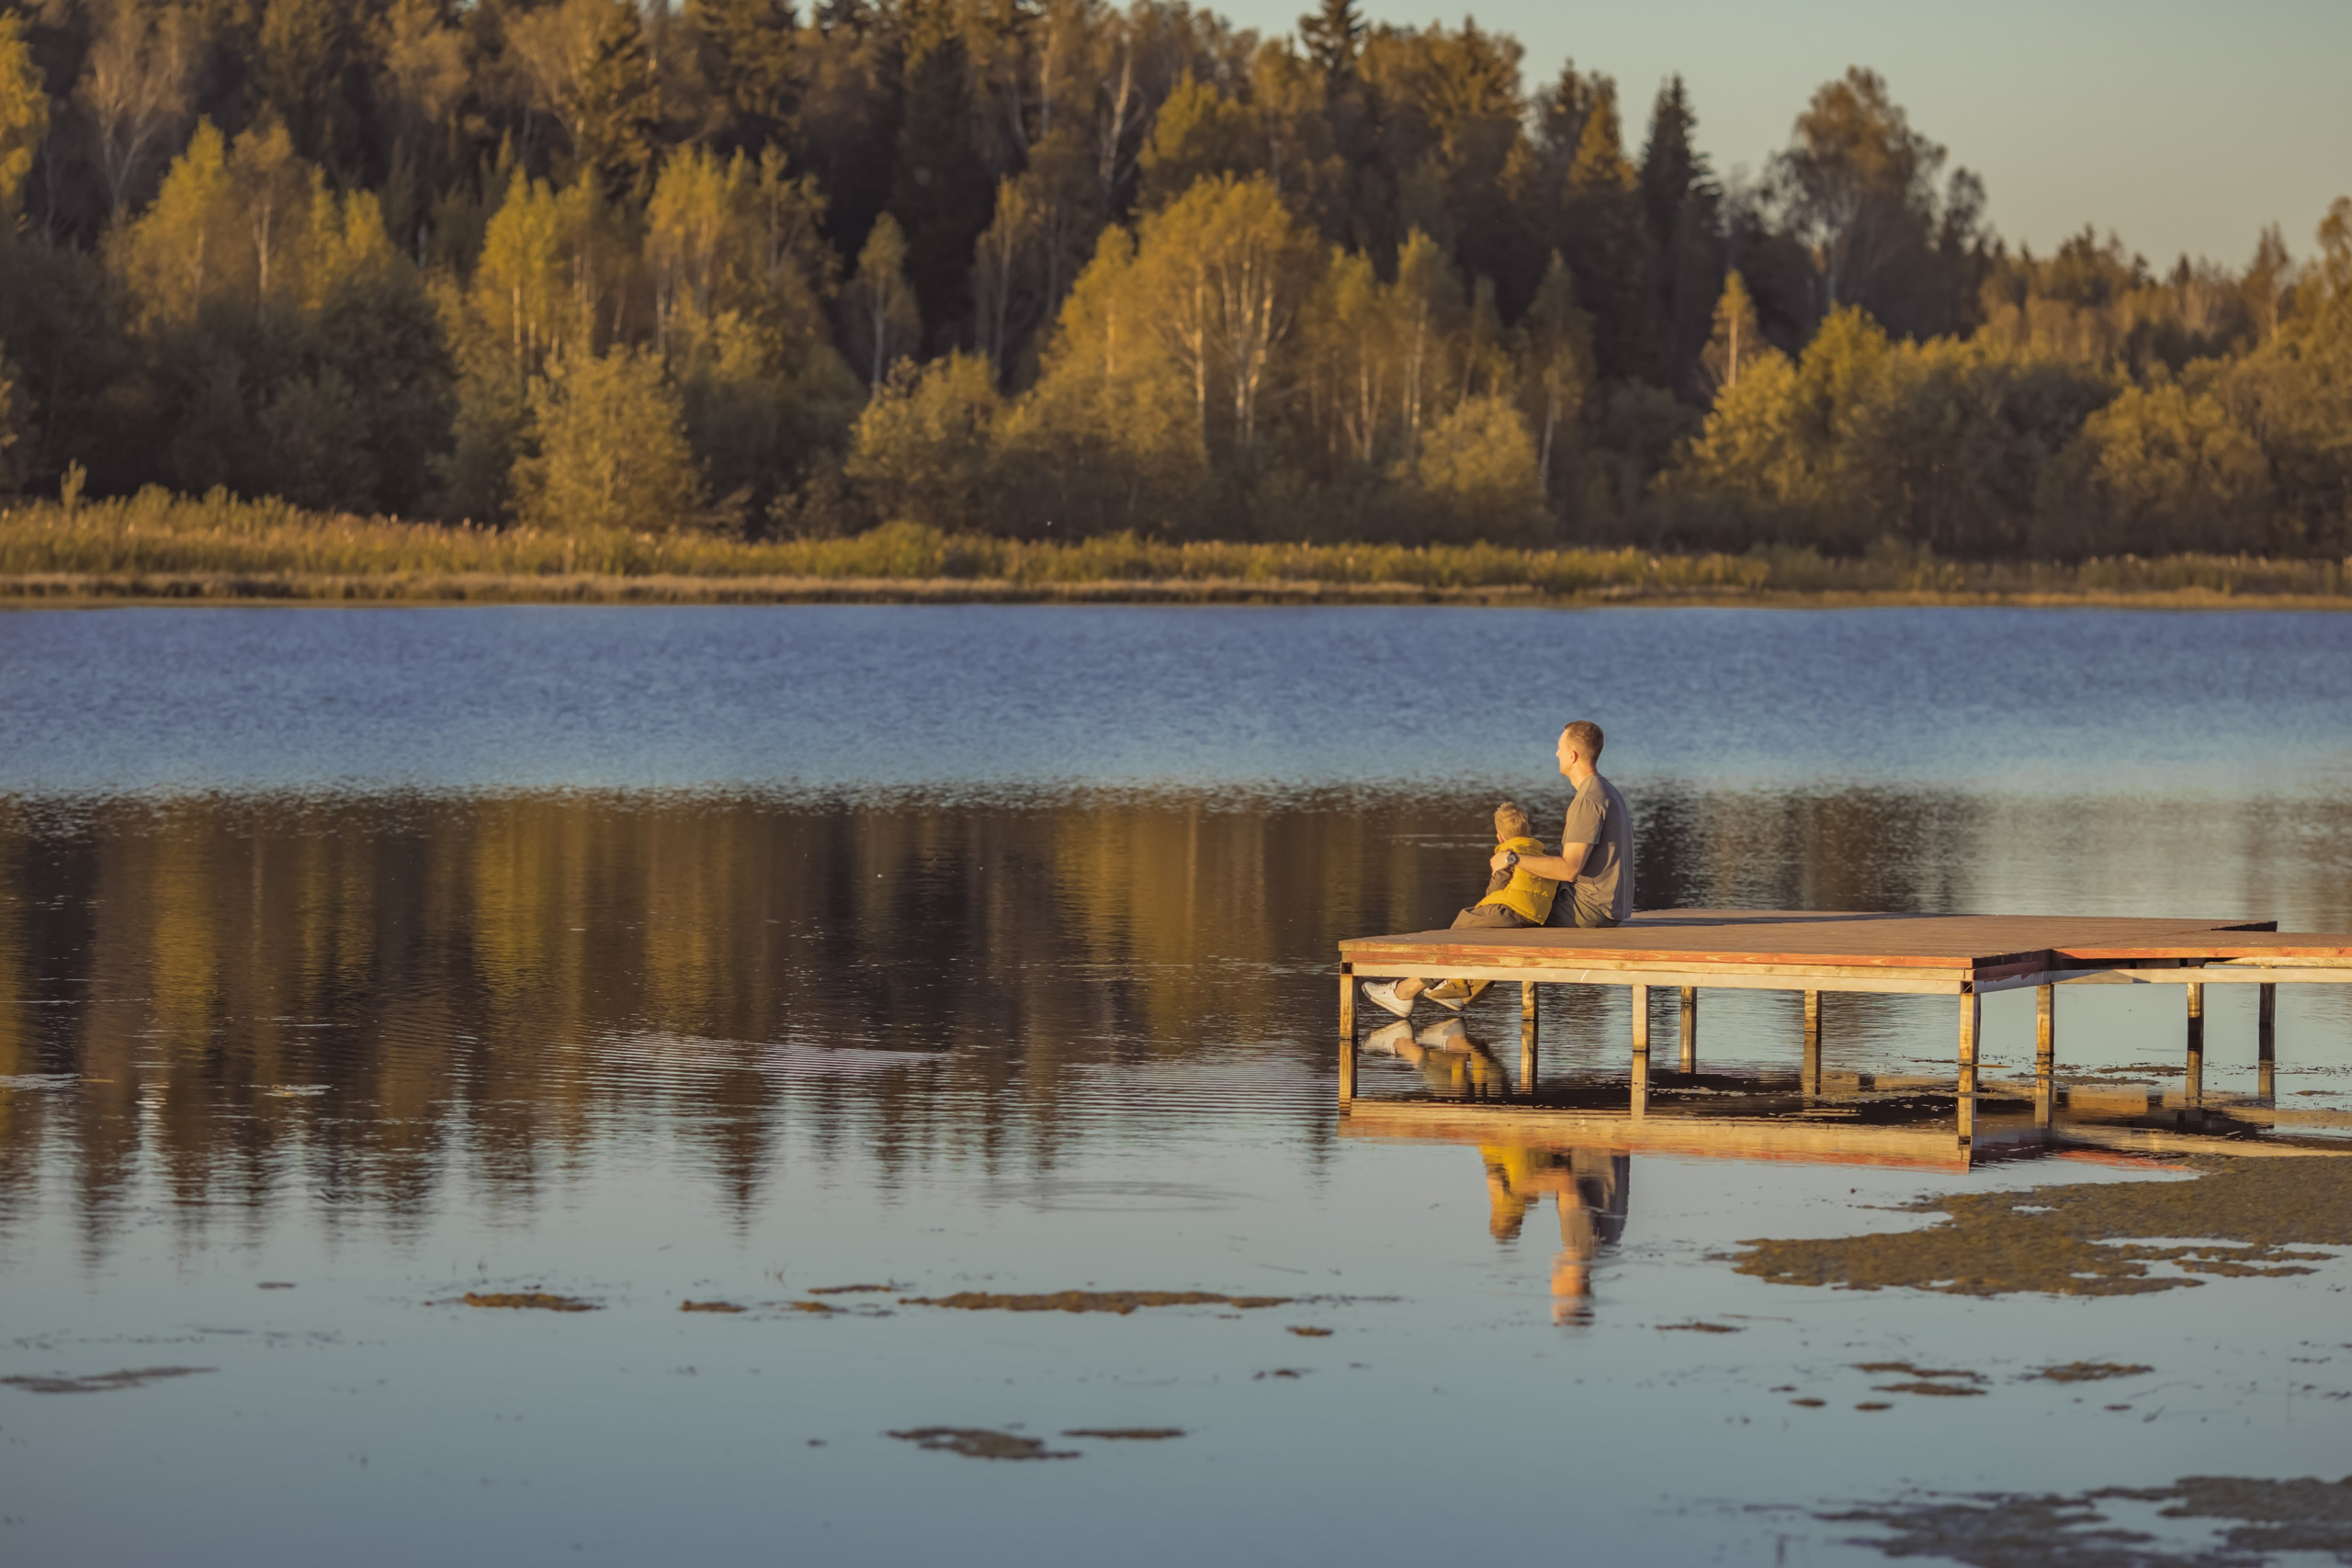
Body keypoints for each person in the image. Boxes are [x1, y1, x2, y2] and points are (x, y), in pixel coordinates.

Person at [1360, 801, 1556, 1019]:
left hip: (1508, 911)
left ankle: (1407, 993)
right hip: (1533, 918)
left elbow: (1495, 890)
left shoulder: (1507, 855)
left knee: (1461, 928)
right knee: (1475, 936)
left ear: (1499, 838)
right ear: (1528, 831)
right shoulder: (1541, 855)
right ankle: (1452, 989)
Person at [1513, 719, 1632, 931]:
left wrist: (1512, 859)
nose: (1556, 754)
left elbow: (1569, 869)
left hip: (1589, 909)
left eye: (1560, 749)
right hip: (1609, 908)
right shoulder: (1608, 791)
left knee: (1507, 910)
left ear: (1572, 756)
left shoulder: (1588, 800)